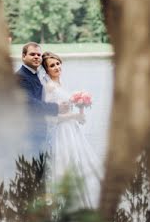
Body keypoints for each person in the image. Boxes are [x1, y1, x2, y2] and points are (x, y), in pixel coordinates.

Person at [41, 51, 103, 210]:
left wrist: (79, 114)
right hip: (62, 133)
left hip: (73, 131)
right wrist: (74, 116)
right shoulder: (49, 87)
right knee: (67, 165)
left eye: (57, 63)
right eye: (52, 65)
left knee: (80, 164)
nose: (56, 67)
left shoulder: (61, 84)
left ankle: (85, 204)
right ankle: (69, 207)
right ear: (46, 70)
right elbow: (51, 118)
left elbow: (68, 111)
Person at [16, 42, 68, 156]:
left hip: (40, 132)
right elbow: (30, 104)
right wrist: (57, 108)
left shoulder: (35, 75)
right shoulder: (20, 77)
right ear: (23, 56)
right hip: (28, 134)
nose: (36, 57)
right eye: (32, 54)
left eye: (39, 55)